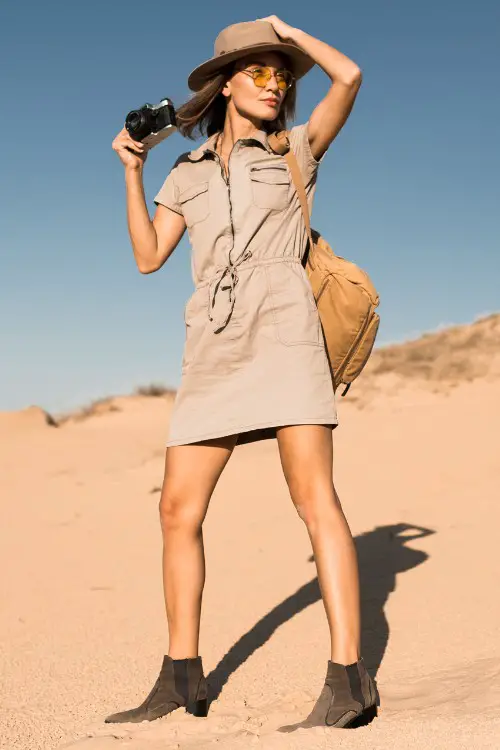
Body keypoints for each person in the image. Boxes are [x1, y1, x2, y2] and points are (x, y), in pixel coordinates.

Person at [108, 17, 376, 731]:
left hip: (285, 324)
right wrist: (133, 172)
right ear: (224, 83)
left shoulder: (298, 149)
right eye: (257, 70)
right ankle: (180, 676)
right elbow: (147, 257)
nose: (274, 82)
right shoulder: (186, 173)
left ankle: (349, 679)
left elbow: (347, 77)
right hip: (213, 340)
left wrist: (286, 32)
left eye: (280, 73)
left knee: (314, 497)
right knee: (176, 509)